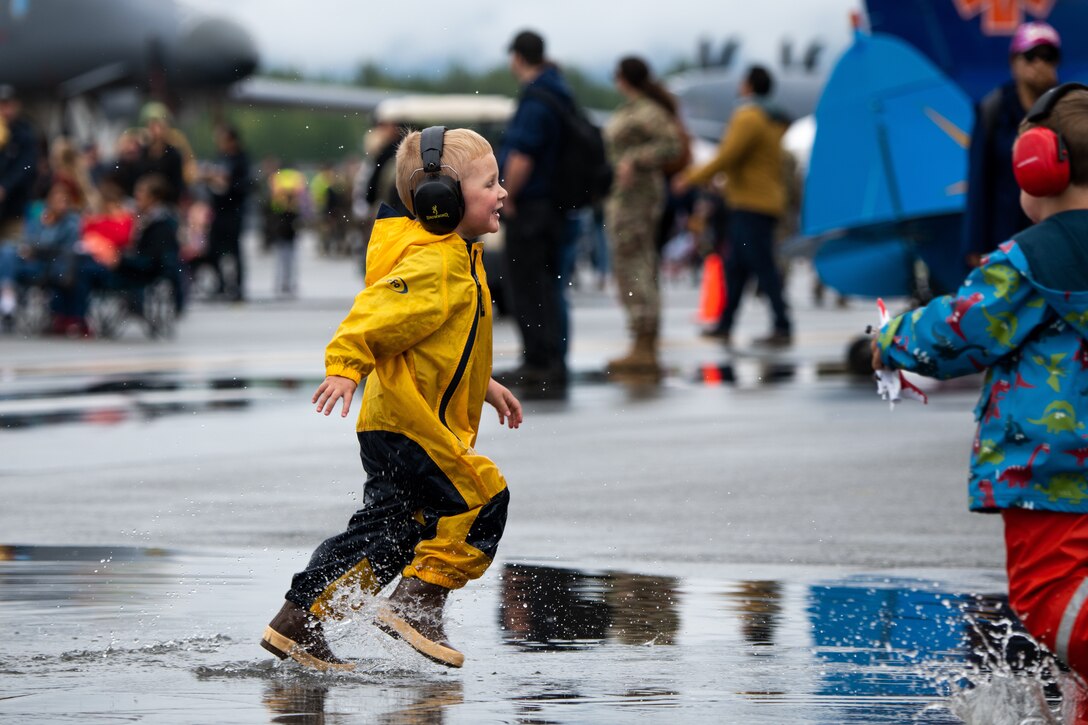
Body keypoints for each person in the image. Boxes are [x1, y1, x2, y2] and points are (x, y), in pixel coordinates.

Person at [260, 127, 522, 671]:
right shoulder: (437, 262)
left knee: (389, 534)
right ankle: (419, 603)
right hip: (409, 427)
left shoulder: (449, 255)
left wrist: (485, 383)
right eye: (489, 183)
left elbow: (438, 340)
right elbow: (375, 315)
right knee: (480, 498)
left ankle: (299, 621)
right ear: (441, 201)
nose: (502, 193)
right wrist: (346, 367)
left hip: (394, 424)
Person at [871, 83, 1088, 690]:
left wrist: (887, 341)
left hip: (1053, 484)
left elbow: (955, 332)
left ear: (1038, 166)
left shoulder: (1028, 262)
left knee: (1057, 607)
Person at [674, 65, 792, 348]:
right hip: (763, 200)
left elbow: (727, 155)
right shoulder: (773, 117)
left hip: (752, 203)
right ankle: (726, 324)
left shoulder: (749, 116)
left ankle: (782, 324)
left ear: (749, 85)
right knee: (736, 267)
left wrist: (689, 178)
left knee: (761, 266)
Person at [496, 29, 571, 389]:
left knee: (527, 286)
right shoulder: (560, 92)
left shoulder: (536, 98)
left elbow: (523, 154)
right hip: (554, 206)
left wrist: (507, 194)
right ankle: (552, 357)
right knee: (548, 285)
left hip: (532, 207)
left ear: (517, 57)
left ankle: (540, 360)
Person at [601, 56, 683, 377]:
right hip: (626, 199)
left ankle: (644, 342)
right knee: (635, 265)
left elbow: (671, 145)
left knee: (634, 266)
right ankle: (642, 340)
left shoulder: (648, 111)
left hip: (637, 200)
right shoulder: (635, 109)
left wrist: (634, 159)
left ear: (623, 78)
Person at [962, 21, 1061, 270]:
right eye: (1031, 55)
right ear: (1014, 61)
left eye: (1048, 56)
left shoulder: (1065, 110)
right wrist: (974, 246)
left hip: (1053, 239)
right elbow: (978, 181)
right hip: (1003, 239)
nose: (1039, 63)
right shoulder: (992, 111)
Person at [205, 124, 250, 301]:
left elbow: (244, 185)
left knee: (235, 250)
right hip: (218, 210)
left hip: (234, 210)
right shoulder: (220, 158)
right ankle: (221, 284)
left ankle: (237, 287)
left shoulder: (241, 159)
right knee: (213, 249)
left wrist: (228, 183)